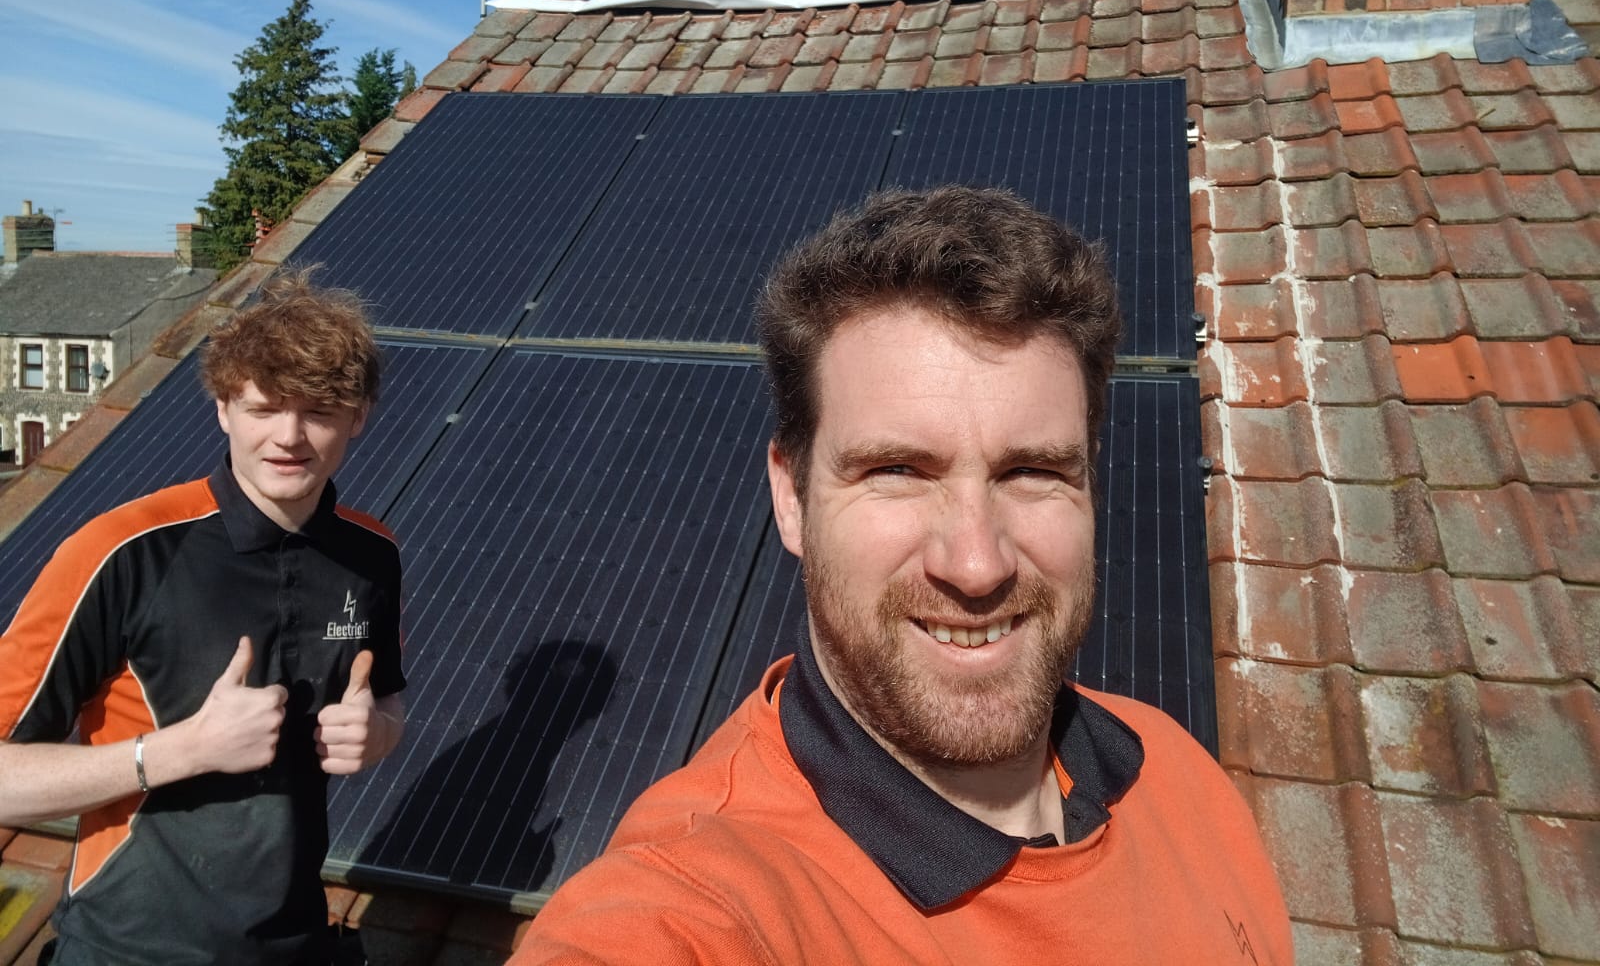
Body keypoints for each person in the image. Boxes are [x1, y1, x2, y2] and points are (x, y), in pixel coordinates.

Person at [512, 186, 1293, 964]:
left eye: (1032, 471)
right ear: (791, 496)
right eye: (897, 470)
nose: (977, 562)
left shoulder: (1180, 774)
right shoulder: (699, 909)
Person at [0, 271, 406, 966]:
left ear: (359, 415)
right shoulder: (121, 550)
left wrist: (380, 733)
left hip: (297, 946)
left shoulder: (372, 554)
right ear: (223, 409)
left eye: (319, 410)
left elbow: (386, 694)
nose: (289, 436)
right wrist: (183, 750)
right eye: (264, 409)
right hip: (129, 949)